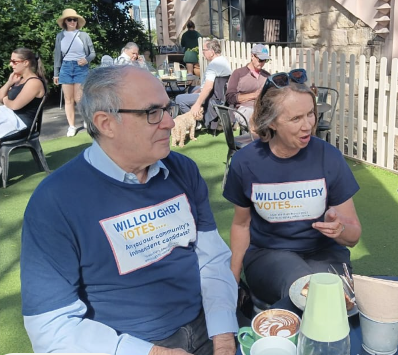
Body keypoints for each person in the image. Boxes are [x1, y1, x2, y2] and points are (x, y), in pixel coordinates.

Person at [20, 65, 238, 355]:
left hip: (206, 327)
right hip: (128, 344)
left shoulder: (182, 170)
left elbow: (212, 260)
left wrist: (223, 336)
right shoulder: (55, 201)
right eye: (152, 113)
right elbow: (50, 325)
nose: (170, 124)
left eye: (167, 108)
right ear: (106, 123)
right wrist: (150, 353)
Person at [223, 69, 362, 304]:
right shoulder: (245, 162)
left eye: (310, 114)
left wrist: (339, 230)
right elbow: (241, 225)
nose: (308, 125)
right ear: (272, 121)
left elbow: (353, 235)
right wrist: (232, 280)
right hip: (267, 255)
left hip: (325, 252)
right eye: (296, 119)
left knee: (337, 300)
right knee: (307, 290)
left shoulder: (329, 157)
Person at [52, 7, 95, 136]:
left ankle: (86, 120)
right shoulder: (60, 36)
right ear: (65, 21)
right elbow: (57, 56)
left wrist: (86, 60)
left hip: (80, 67)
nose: (72, 22)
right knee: (68, 99)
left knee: (79, 98)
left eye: (74, 20)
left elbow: (92, 53)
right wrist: (56, 73)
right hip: (65, 67)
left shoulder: (84, 35)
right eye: (69, 20)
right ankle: (71, 126)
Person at [175, 37, 231, 123]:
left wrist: (197, 104)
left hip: (212, 96)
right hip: (219, 94)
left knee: (179, 99)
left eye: (204, 50)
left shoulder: (213, 66)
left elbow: (208, 87)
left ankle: (195, 122)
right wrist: (198, 90)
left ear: (212, 52)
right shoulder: (223, 60)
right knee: (191, 89)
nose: (202, 53)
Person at [0, 47, 47, 139]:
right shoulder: (18, 80)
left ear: (26, 63)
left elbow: (15, 105)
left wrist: (5, 99)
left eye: (14, 62)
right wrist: (9, 83)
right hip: (9, 120)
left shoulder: (34, 82)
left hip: (21, 125)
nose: (11, 64)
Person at [225, 43, 271, 130]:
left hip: (264, 108)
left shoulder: (267, 75)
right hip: (245, 108)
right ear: (252, 56)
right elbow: (230, 97)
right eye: (260, 60)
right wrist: (254, 95)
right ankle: (257, 142)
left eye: (265, 60)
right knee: (256, 119)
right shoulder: (238, 73)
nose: (262, 63)